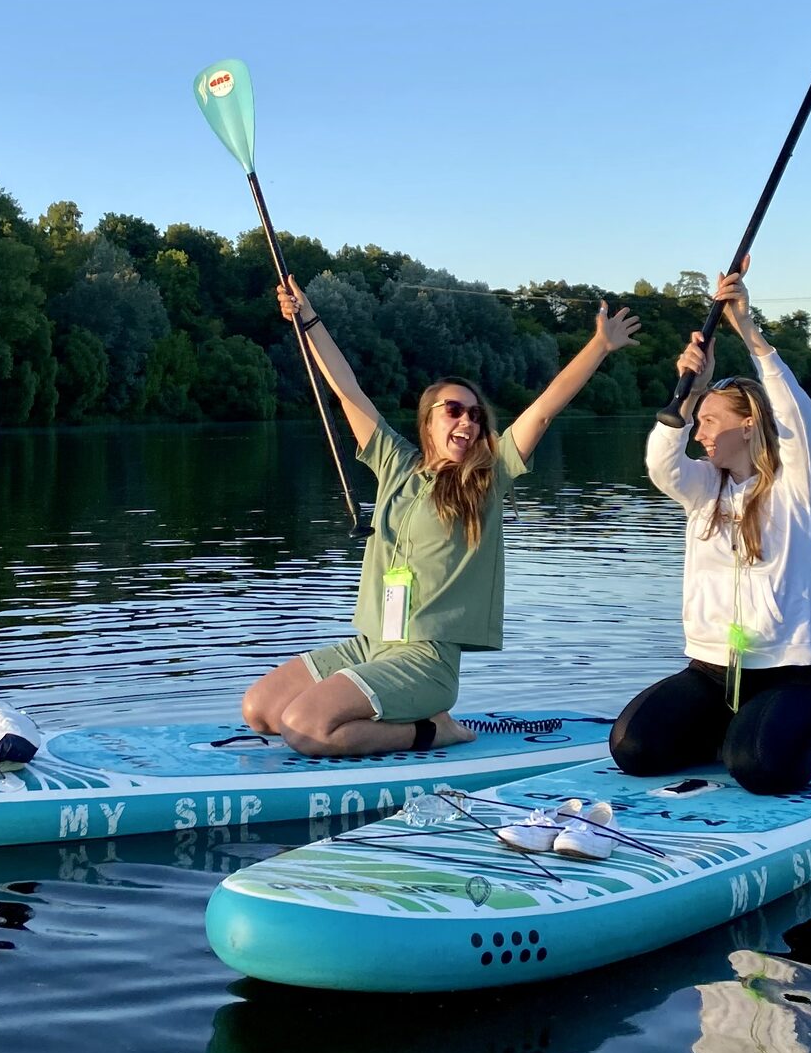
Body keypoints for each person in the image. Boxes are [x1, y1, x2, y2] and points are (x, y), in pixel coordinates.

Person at [242, 276, 640, 758]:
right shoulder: (395, 463)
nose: (467, 422)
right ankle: (377, 718)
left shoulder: (487, 480)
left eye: (475, 415)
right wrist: (307, 319)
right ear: (429, 419)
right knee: (261, 711)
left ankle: (434, 730)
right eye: (454, 410)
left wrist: (599, 346)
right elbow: (346, 388)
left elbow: (542, 412)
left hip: (423, 660)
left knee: (304, 729)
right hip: (371, 646)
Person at [610, 260, 811, 795]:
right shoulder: (701, 489)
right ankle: (730, 735)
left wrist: (749, 332)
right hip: (710, 673)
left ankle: (789, 729)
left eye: (710, 421)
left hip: (785, 675)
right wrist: (689, 397)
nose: (700, 434)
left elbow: (800, 419)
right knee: (632, 749)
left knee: (760, 769)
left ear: (749, 423)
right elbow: (661, 463)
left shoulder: (794, 488)